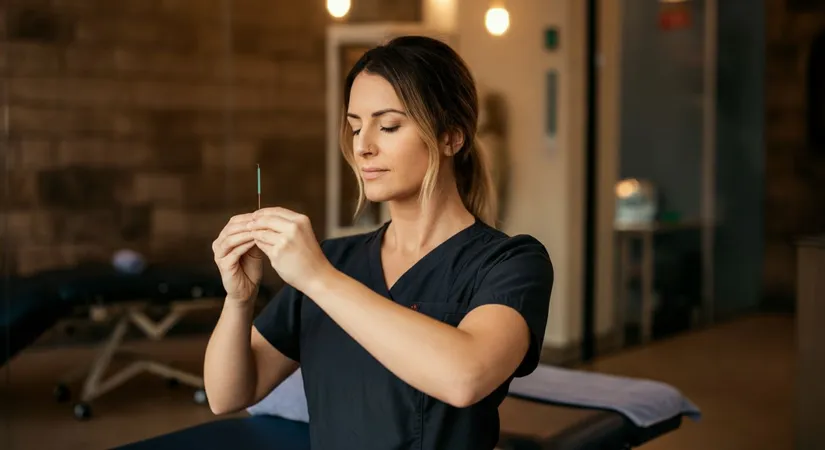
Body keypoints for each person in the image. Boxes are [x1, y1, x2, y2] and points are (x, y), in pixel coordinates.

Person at [203, 35, 554, 450]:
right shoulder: (333, 259)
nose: (363, 146)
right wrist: (239, 300)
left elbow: (466, 377)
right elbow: (227, 395)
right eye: (355, 126)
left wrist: (318, 279)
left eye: (387, 126)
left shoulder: (509, 262)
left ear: (451, 137)